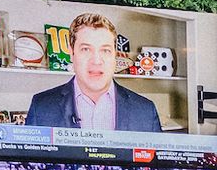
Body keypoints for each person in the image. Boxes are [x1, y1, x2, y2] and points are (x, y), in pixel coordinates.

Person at [26, 14, 164, 133]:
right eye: (86, 49)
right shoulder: (41, 107)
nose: (96, 61)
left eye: (105, 50)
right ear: (71, 54)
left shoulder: (145, 111)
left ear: (115, 56)